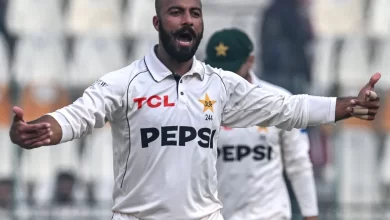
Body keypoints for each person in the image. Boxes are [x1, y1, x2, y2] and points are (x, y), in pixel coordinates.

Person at [8, 0, 381, 219]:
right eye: (176, 12)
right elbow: (78, 115)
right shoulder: (124, 82)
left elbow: (288, 108)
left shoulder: (220, 85)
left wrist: (349, 105)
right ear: (157, 22)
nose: (187, 20)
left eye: (194, 13)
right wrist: (44, 128)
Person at [205, 28, 318, 220]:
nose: (226, 77)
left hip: (270, 214)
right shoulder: (200, 104)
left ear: (250, 61)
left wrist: (311, 215)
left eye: (232, 69)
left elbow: (298, 162)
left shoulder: (279, 100)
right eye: (219, 69)